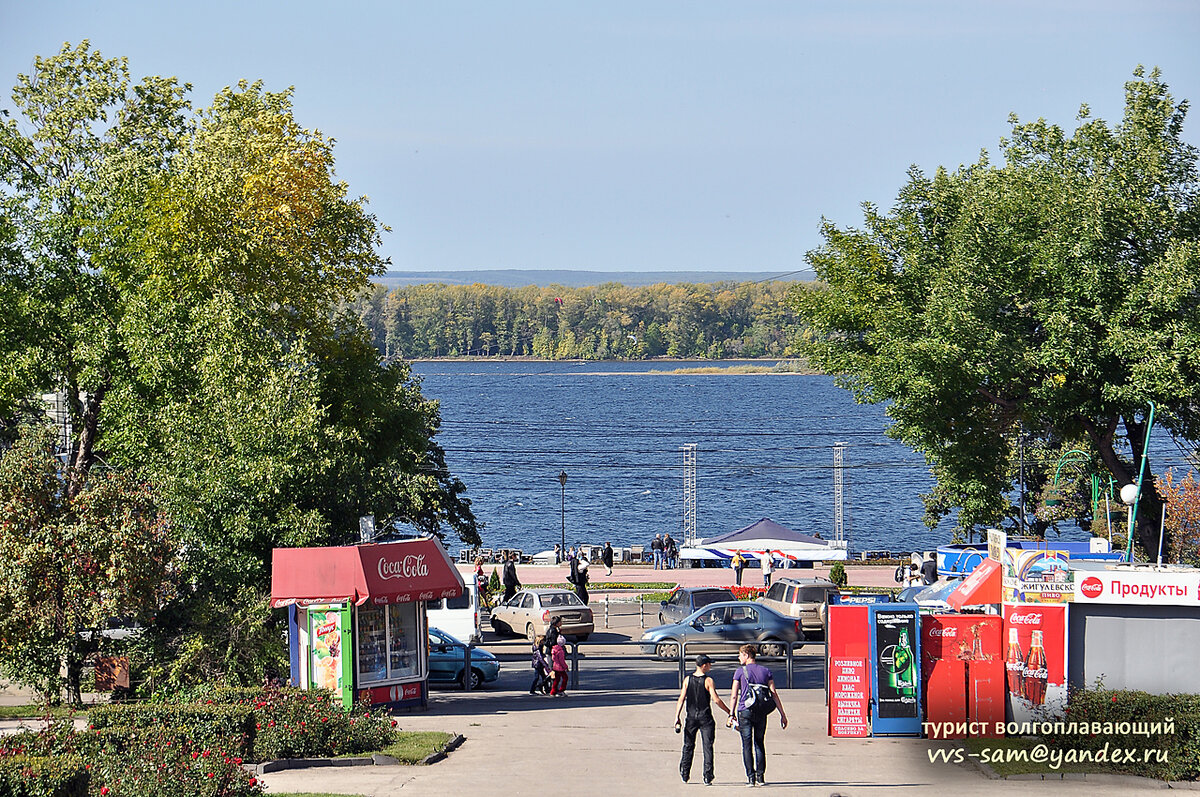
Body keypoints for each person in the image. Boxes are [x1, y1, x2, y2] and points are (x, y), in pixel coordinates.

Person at [728, 644, 788, 786]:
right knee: (759, 743)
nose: (738, 657)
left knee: (746, 745)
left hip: (745, 711)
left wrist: (731, 714)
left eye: (740, 655)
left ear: (747, 656)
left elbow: (734, 695)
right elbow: (773, 693)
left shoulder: (739, 672)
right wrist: (782, 714)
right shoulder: (766, 671)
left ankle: (750, 777)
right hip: (761, 712)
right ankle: (761, 777)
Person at [673, 654, 731, 785]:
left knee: (688, 745)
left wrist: (677, 716)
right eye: (709, 664)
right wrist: (729, 712)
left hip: (691, 717)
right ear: (704, 666)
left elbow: (681, 698)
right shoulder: (708, 680)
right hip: (706, 718)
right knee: (707, 746)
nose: (710, 666)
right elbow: (716, 700)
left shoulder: (687, 679)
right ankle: (707, 776)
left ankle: (685, 772)